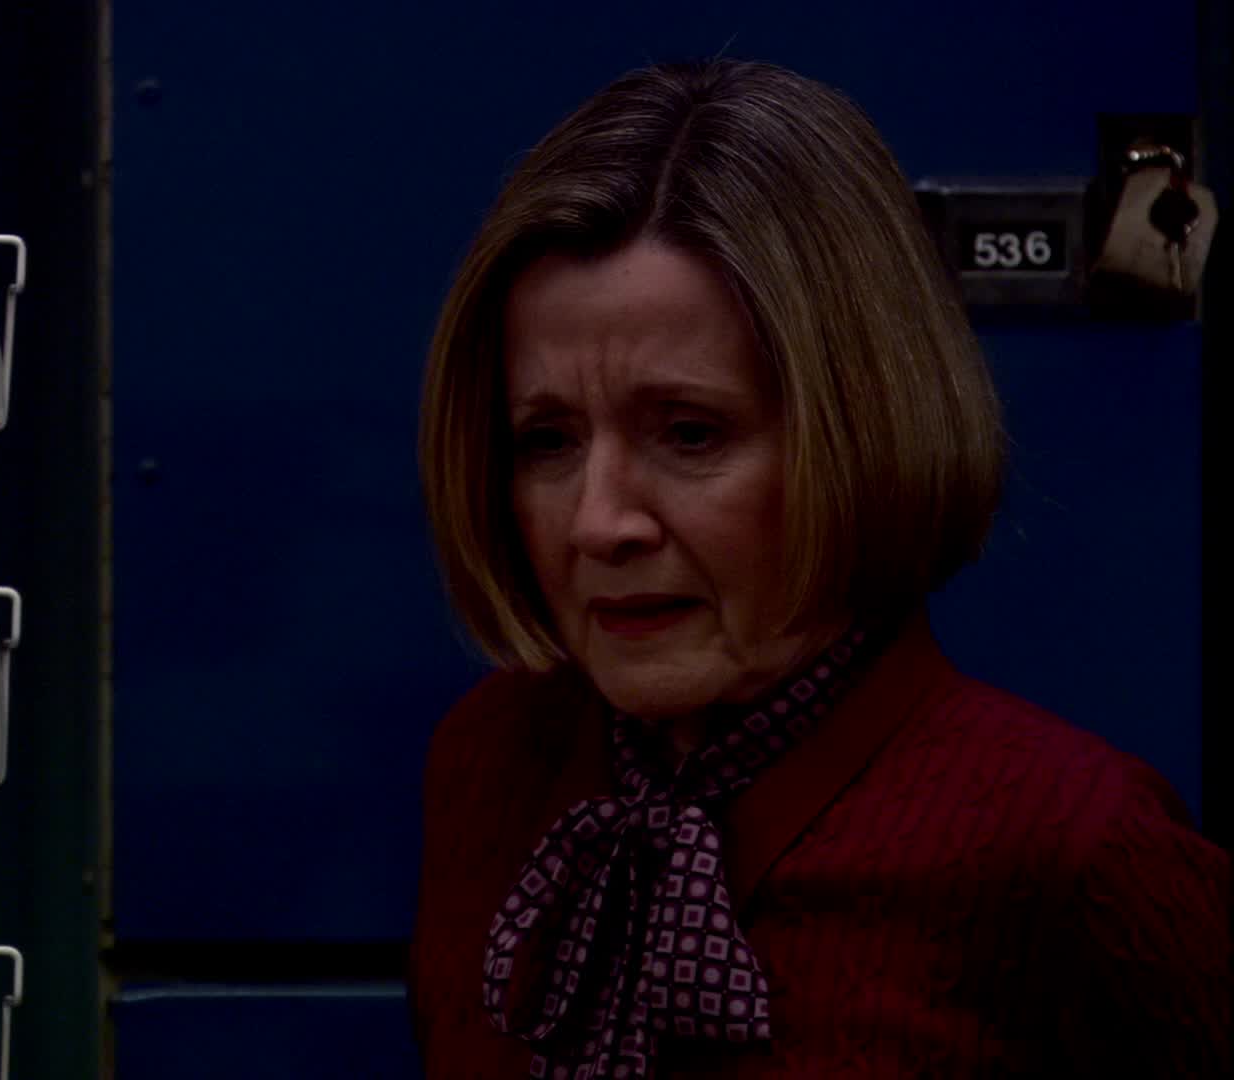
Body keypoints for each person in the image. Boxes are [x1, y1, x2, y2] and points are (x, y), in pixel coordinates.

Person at [409, 58, 1229, 1078]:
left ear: (859, 430)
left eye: (691, 433)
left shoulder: (1074, 845)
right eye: (548, 440)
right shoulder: (492, 763)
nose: (599, 522)